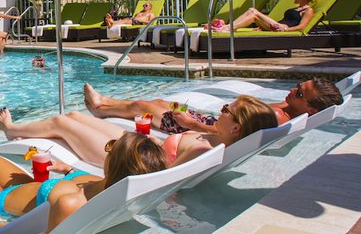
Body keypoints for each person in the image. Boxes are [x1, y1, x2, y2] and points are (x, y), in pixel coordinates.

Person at [0, 131, 165, 231]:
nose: (107, 150)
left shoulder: (71, 204)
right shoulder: (106, 183)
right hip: (24, 184)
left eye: (111, 148)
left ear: (116, 163)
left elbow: (34, 233)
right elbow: (78, 180)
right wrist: (68, 169)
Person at [0, 94, 277, 168]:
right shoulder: (216, 137)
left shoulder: (203, 149)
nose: (221, 109)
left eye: (227, 109)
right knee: (73, 115)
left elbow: (163, 178)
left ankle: (11, 129)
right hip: (141, 145)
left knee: (61, 123)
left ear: (237, 127)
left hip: (128, 158)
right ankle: (18, 129)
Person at [84, 78, 343, 134]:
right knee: (160, 102)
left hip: (198, 127)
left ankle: (100, 108)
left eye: (299, 92)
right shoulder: (288, 109)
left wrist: (191, 123)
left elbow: (232, 136)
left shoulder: (277, 117)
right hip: (211, 120)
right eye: (298, 85)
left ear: (310, 109)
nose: (293, 90)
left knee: (144, 105)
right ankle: (106, 102)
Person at [229, 0, 318, 32]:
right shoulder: (296, 8)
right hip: (277, 25)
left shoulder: (308, 10)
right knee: (251, 11)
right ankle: (228, 27)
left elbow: (302, 26)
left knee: (253, 11)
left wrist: (285, 30)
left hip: (282, 27)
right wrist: (262, 26)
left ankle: (229, 28)